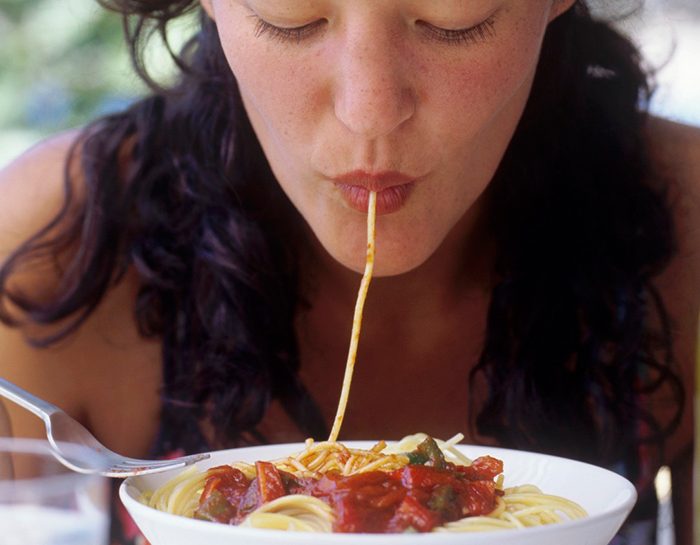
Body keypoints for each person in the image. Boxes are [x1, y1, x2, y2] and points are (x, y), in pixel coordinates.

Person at [0, 0, 697, 543]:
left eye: (451, 18)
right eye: (291, 15)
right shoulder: (52, 261)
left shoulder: (683, 233)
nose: (370, 110)